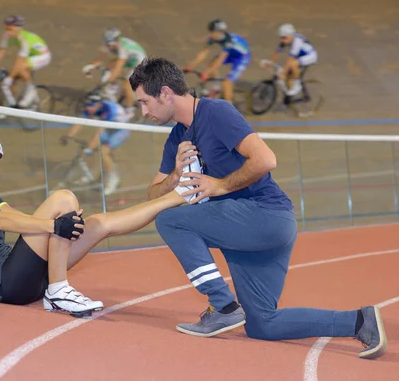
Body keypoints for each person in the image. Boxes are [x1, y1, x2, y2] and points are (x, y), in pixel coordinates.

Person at [128, 57, 387, 359]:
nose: (144, 112)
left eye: (145, 102)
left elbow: (266, 159)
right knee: (263, 324)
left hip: (265, 216)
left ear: (166, 94)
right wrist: (174, 176)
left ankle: (223, 306)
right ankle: (360, 321)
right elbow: (152, 195)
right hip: (245, 232)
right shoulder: (177, 138)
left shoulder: (215, 112)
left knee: (172, 220)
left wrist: (220, 185)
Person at [0, 130, 187, 317]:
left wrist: (64, 225)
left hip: (26, 278)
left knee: (98, 223)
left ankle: (177, 197)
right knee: (63, 198)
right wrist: (55, 226)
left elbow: (22, 220)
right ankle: (58, 291)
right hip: (1, 284)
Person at [60, 92, 134, 195]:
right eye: (88, 106)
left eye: (91, 106)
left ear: (99, 104)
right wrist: (68, 136)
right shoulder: (91, 108)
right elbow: (80, 123)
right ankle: (91, 174)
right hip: (110, 127)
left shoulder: (108, 109)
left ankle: (113, 179)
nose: (89, 108)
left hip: (121, 130)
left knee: (103, 151)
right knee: (91, 146)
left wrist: (90, 148)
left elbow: (100, 132)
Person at [0, 15, 51, 109]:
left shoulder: (24, 39)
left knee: (18, 69)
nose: (7, 31)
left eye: (10, 29)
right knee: (13, 76)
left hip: (42, 56)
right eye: (6, 28)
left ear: (18, 29)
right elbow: (0, 52)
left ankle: (31, 89)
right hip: (30, 56)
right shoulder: (6, 35)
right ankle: (11, 104)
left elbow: (19, 62)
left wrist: (9, 78)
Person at [183, 19, 251, 104]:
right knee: (211, 63)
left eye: (212, 32)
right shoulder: (213, 38)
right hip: (231, 53)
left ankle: (230, 109)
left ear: (219, 32)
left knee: (227, 83)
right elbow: (203, 54)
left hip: (242, 57)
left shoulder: (228, 41)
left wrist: (207, 73)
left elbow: (220, 60)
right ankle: (216, 87)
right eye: (211, 32)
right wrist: (190, 66)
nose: (211, 34)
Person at [82, 27, 146, 114]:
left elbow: (118, 67)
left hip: (139, 61)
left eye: (110, 44)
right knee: (109, 65)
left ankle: (129, 109)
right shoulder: (109, 44)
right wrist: (90, 66)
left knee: (127, 82)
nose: (109, 46)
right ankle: (113, 88)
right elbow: (99, 59)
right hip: (129, 59)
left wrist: (109, 81)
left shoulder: (122, 47)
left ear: (117, 41)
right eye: (108, 44)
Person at [263, 23, 318, 96]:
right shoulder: (286, 39)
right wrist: (270, 62)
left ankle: (297, 84)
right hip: (300, 56)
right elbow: (277, 52)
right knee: (288, 78)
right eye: (281, 37)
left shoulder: (297, 42)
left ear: (291, 35)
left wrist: (283, 74)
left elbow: (290, 60)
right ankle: (289, 99)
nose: (282, 40)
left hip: (310, 56)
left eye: (284, 38)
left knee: (292, 64)